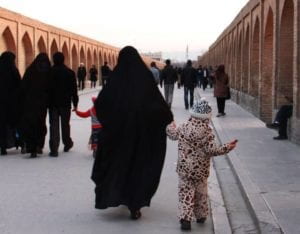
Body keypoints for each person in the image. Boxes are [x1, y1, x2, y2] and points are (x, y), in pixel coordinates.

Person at [92, 46, 173, 220]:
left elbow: (101, 104)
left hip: (118, 136)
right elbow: (161, 110)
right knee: (138, 167)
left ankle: (120, 195)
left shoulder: (115, 80)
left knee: (120, 165)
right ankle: (134, 204)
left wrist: (112, 122)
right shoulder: (145, 80)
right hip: (142, 137)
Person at [166, 98, 237, 231]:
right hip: (200, 170)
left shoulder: (183, 127)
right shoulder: (208, 132)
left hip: (185, 169)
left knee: (185, 193)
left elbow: (172, 134)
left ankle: (186, 219)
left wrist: (171, 125)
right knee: (201, 193)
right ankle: (200, 215)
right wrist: (228, 147)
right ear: (207, 116)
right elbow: (212, 150)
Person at [19, 53, 51, 158]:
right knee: (41, 124)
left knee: (31, 124)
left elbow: (23, 87)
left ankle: (31, 147)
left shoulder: (31, 70)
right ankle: (39, 146)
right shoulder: (48, 71)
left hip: (30, 103)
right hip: (42, 103)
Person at [48, 52, 79, 157]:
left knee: (54, 126)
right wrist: (75, 103)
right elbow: (74, 90)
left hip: (53, 104)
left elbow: (45, 90)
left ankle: (54, 149)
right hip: (65, 103)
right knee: (65, 125)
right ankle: (67, 143)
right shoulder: (70, 72)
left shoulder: (49, 72)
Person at [0, 51, 21, 155]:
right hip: (12, 103)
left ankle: (3, 146)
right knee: (14, 123)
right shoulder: (14, 70)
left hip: (1, 103)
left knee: (2, 125)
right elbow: (19, 85)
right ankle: (17, 142)